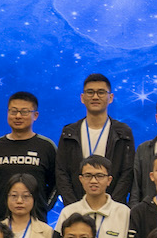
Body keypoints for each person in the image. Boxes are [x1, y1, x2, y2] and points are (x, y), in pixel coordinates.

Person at [55, 73, 136, 207]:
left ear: (111, 98)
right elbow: (61, 172)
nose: (95, 97)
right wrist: (75, 207)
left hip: (113, 209)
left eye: (101, 92)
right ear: (82, 98)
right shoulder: (69, 133)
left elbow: (127, 173)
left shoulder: (123, 133)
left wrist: (111, 206)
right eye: (90, 92)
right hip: (76, 209)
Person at [0, 92, 59, 218]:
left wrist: (43, 206)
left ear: (35, 115)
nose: (18, 116)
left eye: (24, 112)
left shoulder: (47, 147)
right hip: (0, 221)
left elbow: (56, 183)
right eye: (13, 111)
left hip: (35, 220)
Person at [54, 157, 133, 238]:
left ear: (109, 180)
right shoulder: (68, 212)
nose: (93, 181)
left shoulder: (124, 212)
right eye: (88, 176)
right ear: (81, 179)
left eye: (99, 176)